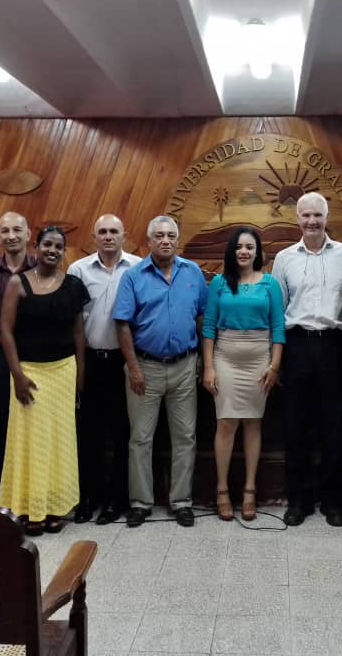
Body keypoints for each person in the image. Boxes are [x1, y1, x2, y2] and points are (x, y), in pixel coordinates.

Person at [271, 192, 342, 527]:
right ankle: (299, 501)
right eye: (305, 216)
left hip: (334, 346)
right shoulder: (284, 258)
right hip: (296, 345)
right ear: (297, 219)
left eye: (317, 216)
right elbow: (277, 312)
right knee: (295, 427)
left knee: (333, 427)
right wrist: (276, 361)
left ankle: (334, 502)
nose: (311, 221)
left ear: (327, 217)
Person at [113, 216, 207, 528]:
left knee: (186, 437)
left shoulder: (192, 273)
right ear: (148, 240)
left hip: (184, 366)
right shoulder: (133, 276)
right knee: (140, 438)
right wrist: (134, 369)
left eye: (171, 235)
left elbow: (202, 318)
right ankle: (140, 503)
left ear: (177, 240)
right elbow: (122, 324)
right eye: (159, 235)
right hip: (145, 368)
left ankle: (181, 502)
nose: (165, 240)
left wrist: (202, 362)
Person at [0, 226, 89, 535]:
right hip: (30, 374)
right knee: (31, 442)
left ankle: (55, 507)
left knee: (59, 441)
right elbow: (6, 332)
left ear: (65, 251)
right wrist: (18, 376)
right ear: (35, 247)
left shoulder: (74, 285)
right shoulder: (18, 283)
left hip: (63, 371)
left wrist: (80, 375)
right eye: (47, 244)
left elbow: (78, 332)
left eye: (58, 246)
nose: (52, 249)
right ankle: (29, 508)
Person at [202, 227, 284, 522]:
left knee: (253, 423)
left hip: (259, 358)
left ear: (259, 253)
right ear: (232, 251)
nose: (244, 252)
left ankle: (250, 491)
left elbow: (278, 328)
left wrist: (274, 366)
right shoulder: (220, 283)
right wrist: (208, 366)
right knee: (225, 423)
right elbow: (209, 325)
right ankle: (222, 491)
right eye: (239, 247)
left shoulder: (270, 284)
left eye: (250, 247)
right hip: (225, 356)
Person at [68, 214, 140, 524]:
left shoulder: (138, 267)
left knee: (123, 432)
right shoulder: (78, 270)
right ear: (94, 236)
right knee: (88, 434)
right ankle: (89, 498)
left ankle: (117, 500)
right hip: (91, 361)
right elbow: (74, 322)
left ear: (124, 235)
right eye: (102, 232)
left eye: (114, 231)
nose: (108, 236)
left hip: (126, 363)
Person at [0, 212, 36, 504]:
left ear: (28, 234)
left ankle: (29, 495)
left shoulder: (40, 267)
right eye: (5, 230)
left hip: (34, 359)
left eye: (17, 229)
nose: (11, 235)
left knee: (30, 427)